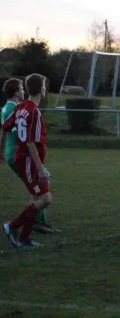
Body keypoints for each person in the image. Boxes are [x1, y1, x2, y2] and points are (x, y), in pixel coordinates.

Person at [0, 74, 52, 248]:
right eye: (44, 85)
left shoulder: (21, 107)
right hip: (29, 161)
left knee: (36, 198)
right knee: (45, 199)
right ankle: (12, 226)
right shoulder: (34, 112)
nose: (45, 88)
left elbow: (5, 127)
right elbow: (30, 143)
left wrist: (1, 150)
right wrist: (40, 168)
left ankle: (24, 238)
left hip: (24, 159)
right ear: (40, 89)